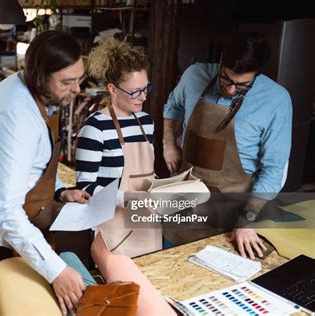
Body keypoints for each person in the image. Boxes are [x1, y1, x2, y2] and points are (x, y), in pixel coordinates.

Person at [0, 31, 90, 315]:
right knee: (5, 307)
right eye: (67, 82)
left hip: (11, 222)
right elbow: (4, 211)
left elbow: (28, 166)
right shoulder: (14, 117)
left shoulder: (30, 91)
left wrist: (60, 190)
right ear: (40, 76)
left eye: (80, 79)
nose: (77, 89)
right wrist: (56, 272)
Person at [162, 34, 292, 259]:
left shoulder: (276, 100)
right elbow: (172, 107)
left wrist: (247, 220)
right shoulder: (194, 76)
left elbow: (274, 170)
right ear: (222, 60)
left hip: (235, 216)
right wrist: (168, 144)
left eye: (242, 86)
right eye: (226, 80)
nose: (231, 90)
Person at [75, 37, 162, 258]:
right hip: (112, 232)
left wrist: (164, 189)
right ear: (112, 89)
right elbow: (85, 188)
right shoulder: (95, 128)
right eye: (134, 91)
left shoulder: (146, 122)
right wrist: (130, 198)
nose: (143, 97)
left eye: (146, 88)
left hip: (147, 224)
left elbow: (147, 173)